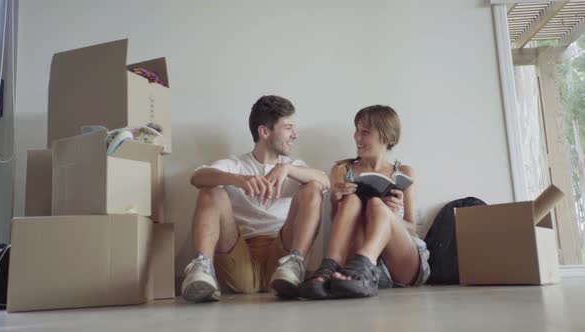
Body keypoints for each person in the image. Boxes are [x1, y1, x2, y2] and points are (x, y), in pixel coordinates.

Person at [181, 95, 330, 302]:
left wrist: (286, 168)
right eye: (288, 128)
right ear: (264, 132)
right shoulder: (236, 165)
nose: (295, 135)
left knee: (313, 187)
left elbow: (324, 180)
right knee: (210, 190)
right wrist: (237, 180)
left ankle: (295, 262)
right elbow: (197, 178)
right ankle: (201, 267)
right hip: (240, 258)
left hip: (282, 259)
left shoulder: (294, 166)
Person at [299, 105, 430, 299]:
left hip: (400, 264)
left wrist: (392, 216)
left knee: (377, 206)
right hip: (351, 268)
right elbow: (338, 225)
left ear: (385, 136)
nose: (356, 137)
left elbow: (412, 229)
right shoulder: (343, 170)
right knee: (352, 200)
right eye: (356, 130)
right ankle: (329, 267)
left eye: (364, 132)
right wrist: (336, 201)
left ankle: (364, 263)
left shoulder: (404, 172)